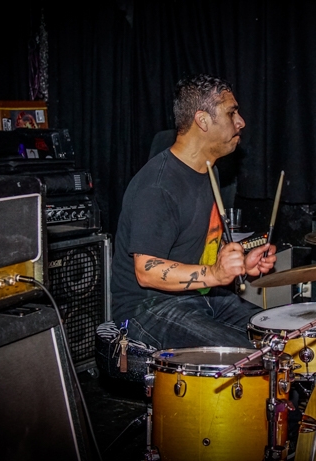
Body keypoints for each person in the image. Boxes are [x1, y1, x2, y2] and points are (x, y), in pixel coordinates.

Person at [110, 73, 277, 350]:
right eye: (231, 113)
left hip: (198, 296)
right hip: (147, 308)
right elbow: (146, 271)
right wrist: (215, 274)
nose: (241, 122)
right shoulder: (158, 186)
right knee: (246, 357)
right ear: (202, 120)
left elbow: (203, 247)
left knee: (282, 338)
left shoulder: (209, 172)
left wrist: (240, 263)